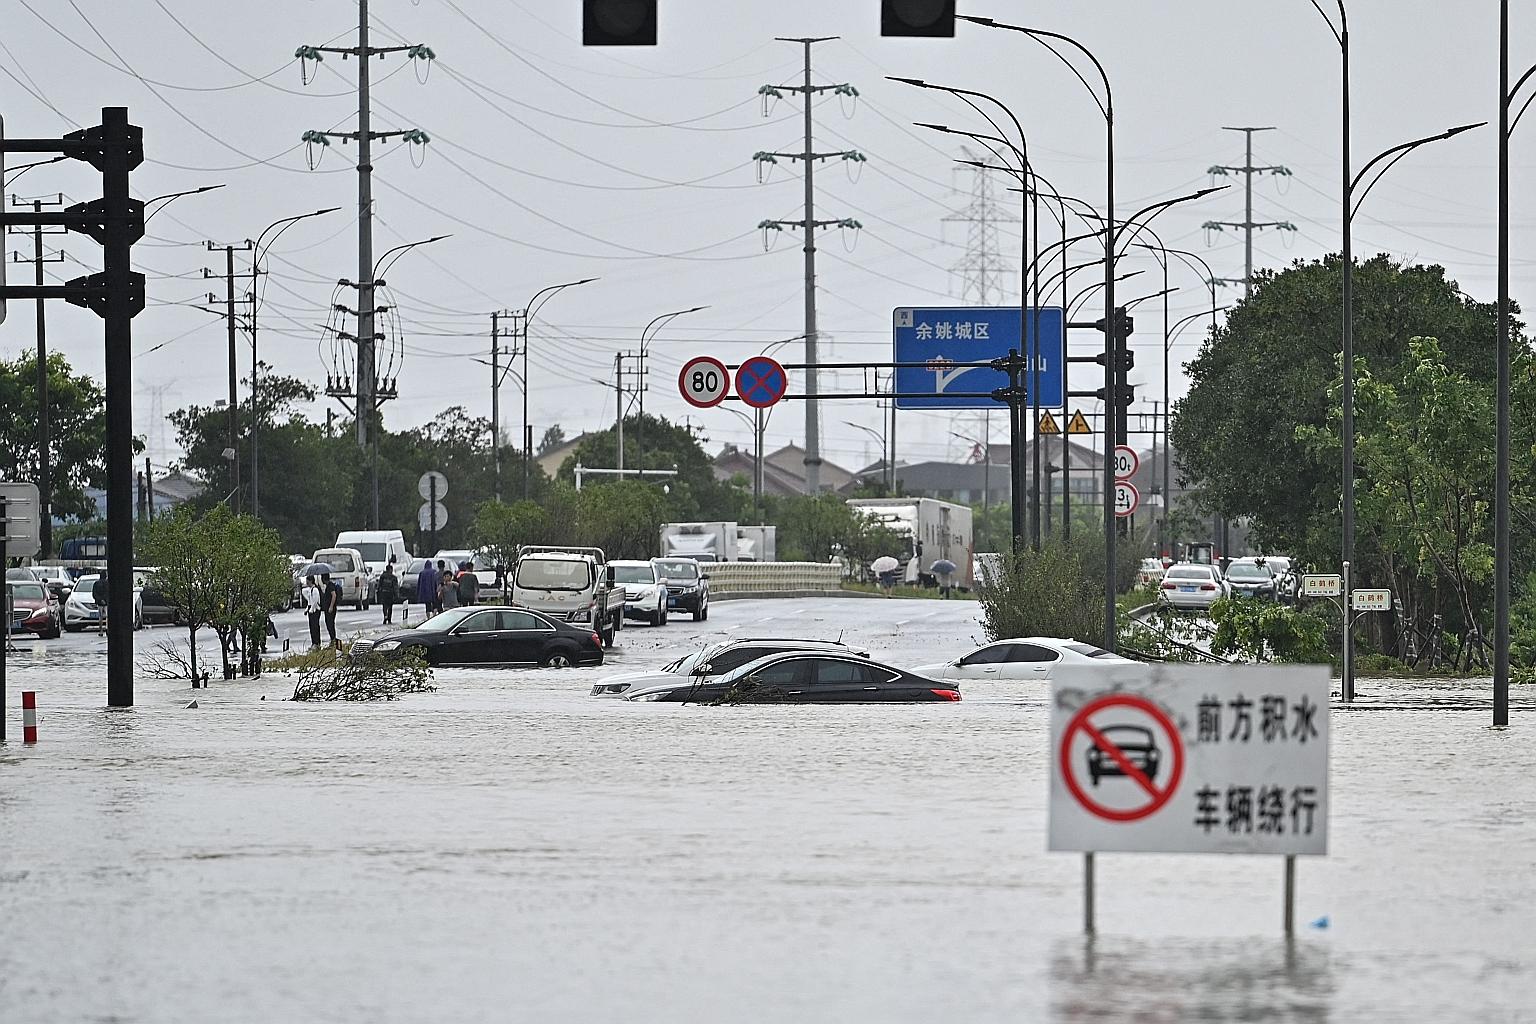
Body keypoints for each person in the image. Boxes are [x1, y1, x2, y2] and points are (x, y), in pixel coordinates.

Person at [321, 572, 341, 647]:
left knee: (330, 624)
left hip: (330, 609)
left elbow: (334, 595)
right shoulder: (328, 586)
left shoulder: (330, 586)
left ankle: (333, 639)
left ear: (323, 579)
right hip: (328, 608)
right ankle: (332, 639)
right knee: (328, 623)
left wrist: (331, 606)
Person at [302, 574, 322, 648]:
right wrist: (307, 609)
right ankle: (313, 642)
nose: (306, 582)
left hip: (315, 610)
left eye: (307, 580)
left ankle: (317, 642)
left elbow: (315, 601)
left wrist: (312, 609)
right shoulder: (310, 590)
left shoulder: (315, 589)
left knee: (315, 626)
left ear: (310, 581)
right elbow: (309, 601)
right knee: (311, 627)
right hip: (311, 609)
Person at [377, 560, 399, 624]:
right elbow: (395, 587)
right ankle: (389, 619)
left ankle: (385, 616)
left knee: (384, 606)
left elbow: (379, 585)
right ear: (391, 570)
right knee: (390, 606)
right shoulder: (393, 577)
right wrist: (396, 594)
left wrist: (379, 592)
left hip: (384, 592)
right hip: (390, 593)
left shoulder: (382, 576)